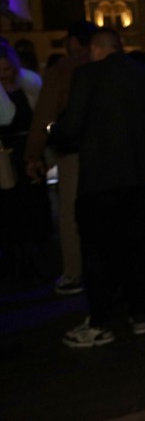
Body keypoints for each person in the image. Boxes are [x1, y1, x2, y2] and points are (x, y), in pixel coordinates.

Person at [48, 27, 145, 347]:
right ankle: (140, 315)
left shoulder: (88, 74)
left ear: (97, 49)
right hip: (139, 176)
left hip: (100, 178)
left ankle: (99, 322)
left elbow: (72, 127)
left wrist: (53, 130)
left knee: (97, 252)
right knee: (136, 247)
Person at [24, 20, 95, 295]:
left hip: (75, 154)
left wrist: (33, 155)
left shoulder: (63, 70)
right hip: (113, 154)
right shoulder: (114, 69)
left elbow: (44, 115)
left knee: (70, 215)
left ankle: (74, 272)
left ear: (73, 42)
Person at [0, 39, 52, 279]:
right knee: (10, 209)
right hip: (4, 157)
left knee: (34, 206)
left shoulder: (30, 86)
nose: (3, 73)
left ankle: (36, 255)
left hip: (28, 152)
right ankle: (16, 257)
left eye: (6, 68)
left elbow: (41, 119)